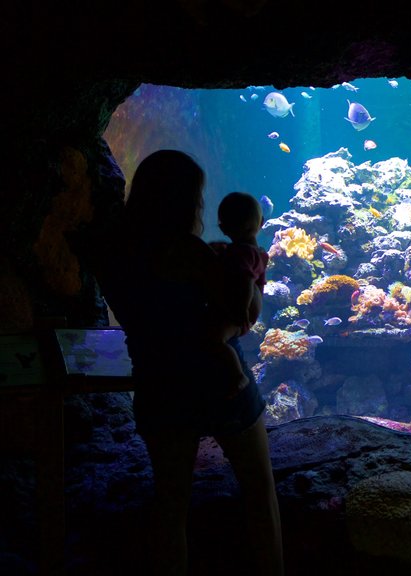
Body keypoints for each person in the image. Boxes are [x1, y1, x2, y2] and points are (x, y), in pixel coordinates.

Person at [100, 150, 283, 576]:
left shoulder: (119, 256)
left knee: (169, 503)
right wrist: (250, 265)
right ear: (184, 201)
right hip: (222, 383)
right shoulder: (194, 255)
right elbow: (243, 315)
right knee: (259, 491)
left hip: (159, 383)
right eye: (199, 198)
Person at [208, 191, 269, 395]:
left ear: (223, 227)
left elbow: (244, 281)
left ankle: (238, 375)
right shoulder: (252, 252)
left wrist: (241, 308)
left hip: (239, 314)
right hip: (243, 312)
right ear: (261, 224)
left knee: (216, 339)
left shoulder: (241, 255)